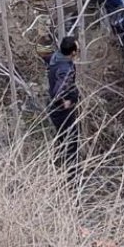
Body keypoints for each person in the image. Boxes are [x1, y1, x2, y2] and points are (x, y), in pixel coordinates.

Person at [46, 36, 81, 172]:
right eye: (77, 48)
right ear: (72, 52)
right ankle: (73, 177)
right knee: (71, 143)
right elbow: (58, 92)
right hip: (62, 111)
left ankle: (60, 170)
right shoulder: (66, 69)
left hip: (55, 110)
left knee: (63, 140)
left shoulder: (56, 57)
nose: (78, 50)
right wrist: (66, 102)